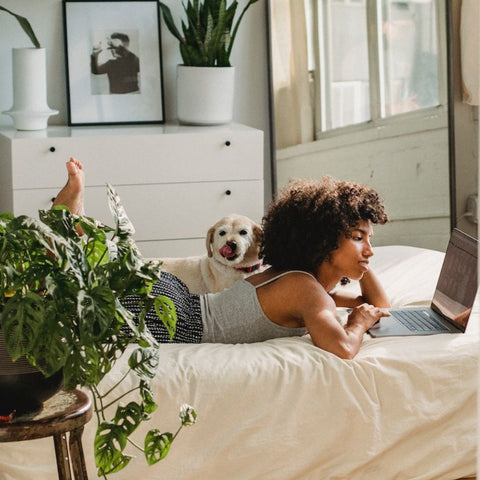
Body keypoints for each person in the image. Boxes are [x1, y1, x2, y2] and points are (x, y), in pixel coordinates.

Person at [54, 158, 391, 360]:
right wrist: (357, 324)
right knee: (78, 283)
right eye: (357, 238)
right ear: (323, 241)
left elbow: (379, 306)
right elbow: (343, 349)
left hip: (177, 301)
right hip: (182, 322)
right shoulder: (308, 292)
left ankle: (73, 223)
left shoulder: (303, 284)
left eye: (370, 240)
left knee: (103, 271)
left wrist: (362, 264)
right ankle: (68, 222)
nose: (368, 250)